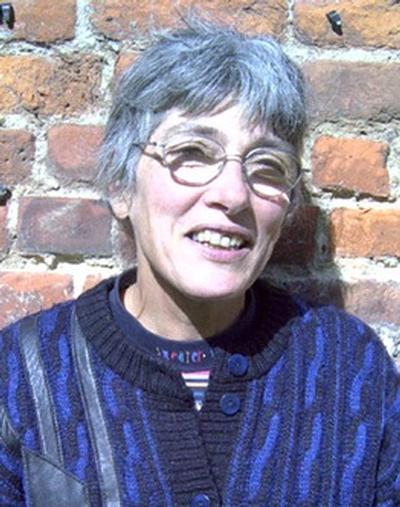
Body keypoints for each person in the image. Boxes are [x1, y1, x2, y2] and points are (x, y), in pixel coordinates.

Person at [0, 17, 399, 507]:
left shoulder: (350, 370)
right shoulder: (24, 377)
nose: (233, 194)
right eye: (192, 152)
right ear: (121, 186)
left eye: (267, 166)